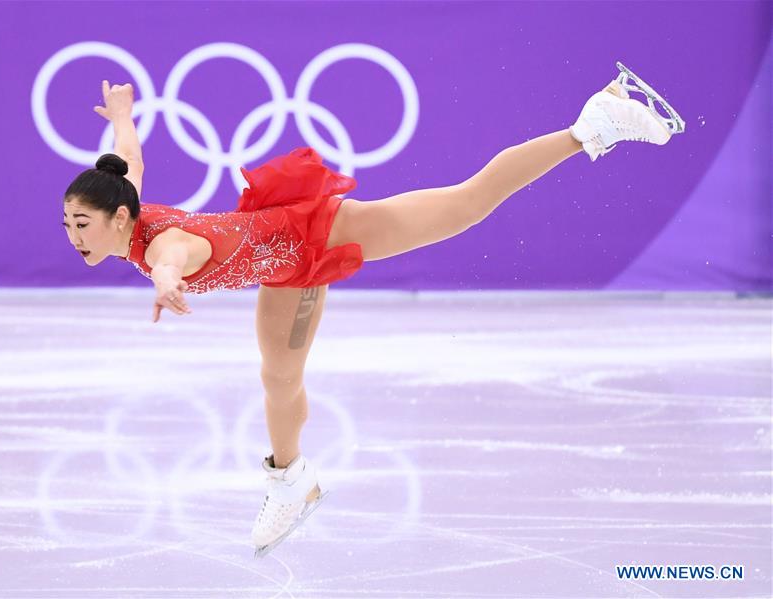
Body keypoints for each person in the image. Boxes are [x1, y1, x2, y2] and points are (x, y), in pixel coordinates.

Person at [62, 71, 683, 557]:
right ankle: (290, 481)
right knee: (279, 377)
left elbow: (176, 256)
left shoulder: (163, 246)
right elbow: (128, 159)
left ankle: (591, 125)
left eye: (81, 224)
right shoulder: (129, 206)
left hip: (317, 232)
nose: (74, 235)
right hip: (285, 270)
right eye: (68, 224)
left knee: (466, 204)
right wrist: (123, 118)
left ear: (117, 220)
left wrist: (167, 283)